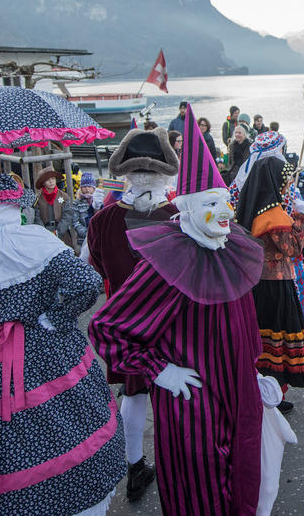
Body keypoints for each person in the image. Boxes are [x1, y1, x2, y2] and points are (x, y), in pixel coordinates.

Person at [90, 105, 267, 515]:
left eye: (226, 202)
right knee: (200, 490)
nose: (223, 213)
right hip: (193, 403)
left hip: (237, 393)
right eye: (211, 203)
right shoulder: (168, 261)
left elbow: (244, 324)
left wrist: (254, 371)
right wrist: (159, 371)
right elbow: (107, 328)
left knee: (242, 479)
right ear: (186, 207)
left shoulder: (230, 248)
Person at [0, 172, 125, 515]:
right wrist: (55, 318)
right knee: (60, 428)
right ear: (16, 206)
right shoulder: (36, 241)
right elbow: (87, 281)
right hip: (44, 351)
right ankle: (62, 496)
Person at [87, 127, 180, 501]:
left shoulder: (101, 220)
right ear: (163, 173)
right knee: (172, 392)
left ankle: (134, 465)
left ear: (124, 172)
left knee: (134, 391)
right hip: (170, 322)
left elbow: (94, 266)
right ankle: (175, 464)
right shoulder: (176, 217)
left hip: (122, 322)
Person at [235, 157, 304, 410]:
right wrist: (301, 220)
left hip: (257, 282)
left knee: (261, 337)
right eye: (286, 179)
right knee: (278, 338)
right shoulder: (274, 215)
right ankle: (273, 393)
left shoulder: (254, 207)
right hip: (276, 284)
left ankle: (260, 390)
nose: (288, 184)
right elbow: (292, 249)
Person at [32, 168, 75, 248]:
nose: (51, 181)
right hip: (44, 233)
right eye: (47, 180)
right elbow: (37, 217)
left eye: (53, 178)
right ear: (43, 183)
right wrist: (44, 233)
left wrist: (58, 232)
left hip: (62, 233)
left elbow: (67, 215)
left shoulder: (64, 197)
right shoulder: (37, 199)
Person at [70, 171, 97, 248]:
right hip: (82, 238)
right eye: (84, 187)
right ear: (81, 188)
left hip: (97, 236)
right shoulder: (77, 203)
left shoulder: (98, 201)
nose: (87, 189)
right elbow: (75, 221)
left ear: (94, 188)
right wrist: (85, 233)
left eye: (89, 186)